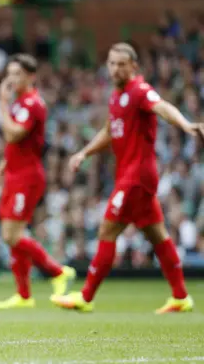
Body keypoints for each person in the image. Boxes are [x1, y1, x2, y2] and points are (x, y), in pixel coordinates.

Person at [52, 43, 198, 313]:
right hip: (132, 175)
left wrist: (186, 124)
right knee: (158, 235)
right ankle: (180, 296)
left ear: (134, 66)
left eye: (121, 64)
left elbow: (162, 106)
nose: (116, 69)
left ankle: (85, 297)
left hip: (136, 176)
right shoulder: (116, 96)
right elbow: (109, 131)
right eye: (111, 63)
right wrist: (84, 153)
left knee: (107, 231)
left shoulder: (139, 91)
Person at [0, 54, 76, 310]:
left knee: (11, 234)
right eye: (9, 73)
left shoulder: (32, 104)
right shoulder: (19, 104)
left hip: (27, 176)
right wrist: (0, 169)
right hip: (14, 173)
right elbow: (13, 145)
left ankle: (59, 272)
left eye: (17, 74)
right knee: (12, 236)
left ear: (31, 76)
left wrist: (2, 102)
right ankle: (24, 295)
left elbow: (13, 133)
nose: (12, 79)